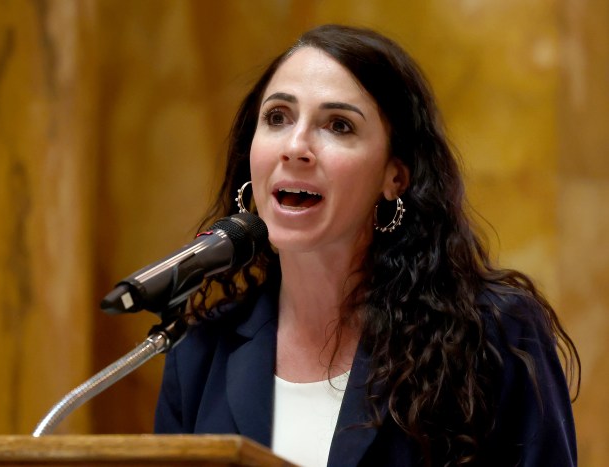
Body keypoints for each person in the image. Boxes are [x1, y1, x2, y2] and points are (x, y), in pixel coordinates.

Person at [154, 24, 579, 467]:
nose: (295, 146)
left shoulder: (493, 334)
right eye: (277, 117)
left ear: (395, 176)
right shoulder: (198, 352)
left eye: (338, 125)